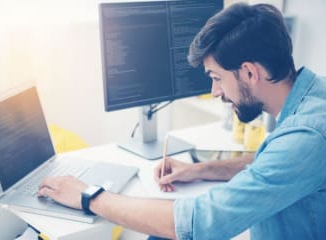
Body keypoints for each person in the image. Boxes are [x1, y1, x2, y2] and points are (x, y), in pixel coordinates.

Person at [37, 3, 326, 240]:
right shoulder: (314, 97)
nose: (215, 92)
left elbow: (196, 224)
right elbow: (273, 163)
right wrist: (202, 170)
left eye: (216, 78)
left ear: (249, 73)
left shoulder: (307, 138)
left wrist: (89, 197)